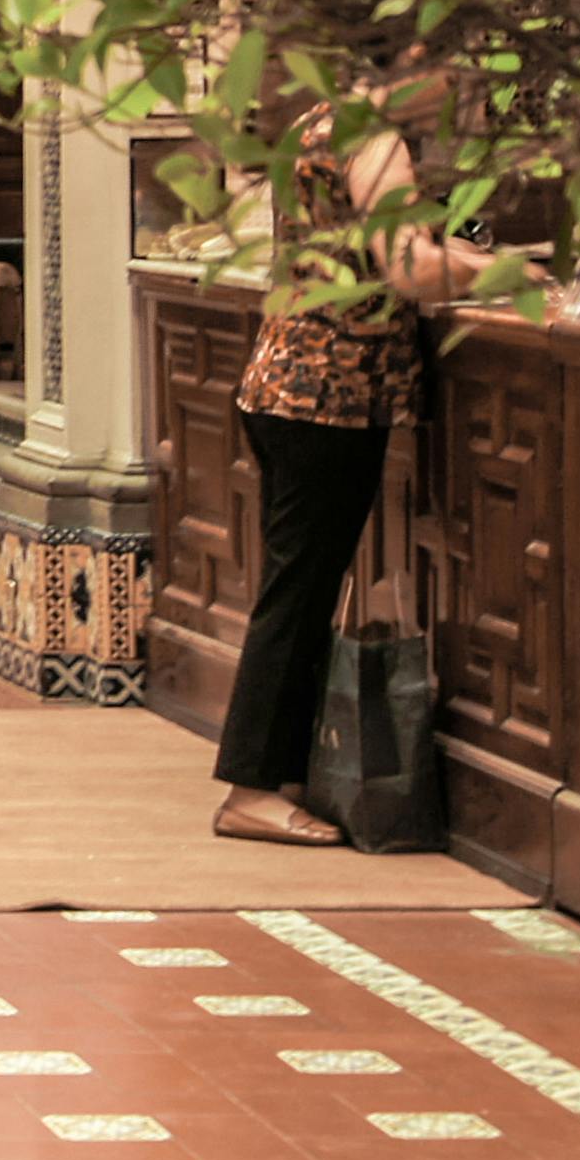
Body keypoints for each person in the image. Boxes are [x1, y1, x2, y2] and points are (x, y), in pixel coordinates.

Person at [213, 84, 481, 846]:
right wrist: (497, 278)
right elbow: (407, 272)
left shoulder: (318, 121)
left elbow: (357, 244)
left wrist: (457, 255)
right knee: (298, 591)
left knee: (297, 584)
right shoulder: (375, 138)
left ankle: (275, 774)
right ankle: (252, 789)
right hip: (329, 392)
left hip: (284, 378)